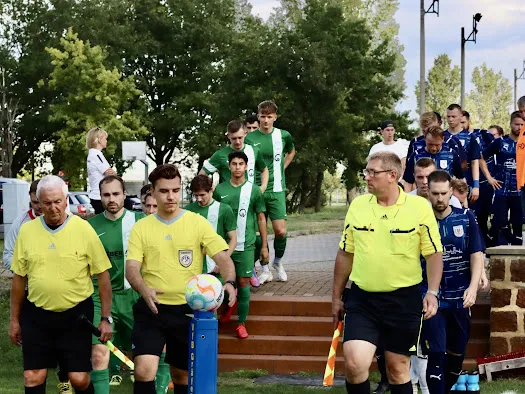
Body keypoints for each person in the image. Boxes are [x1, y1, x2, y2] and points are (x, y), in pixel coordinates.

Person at [333, 151, 443, 394]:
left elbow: (433, 254)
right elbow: (345, 253)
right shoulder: (358, 206)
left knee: (397, 368)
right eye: (367, 171)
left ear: (393, 175)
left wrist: (432, 292)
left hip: (404, 300)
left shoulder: (419, 208)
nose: (367, 177)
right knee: (354, 363)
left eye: (373, 172)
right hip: (363, 299)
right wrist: (336, 297)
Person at [125, 164, 237, 394]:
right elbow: (132, 269)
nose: (171, 196)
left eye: (175, 190)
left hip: (187, 310)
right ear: (153, 192)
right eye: (164, 191)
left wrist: (230, 282)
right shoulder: (141, 227)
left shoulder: (196, 223)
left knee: (181, 374)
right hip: (152, 308)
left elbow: (223, 258)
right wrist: (144, 290)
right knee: (144, 370)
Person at [9, 175, 113, 394]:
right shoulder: (27, 232)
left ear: (66, 200)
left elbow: (102, 276)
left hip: (76, 316)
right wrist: (14, 320)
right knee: (32, 376)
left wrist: (105, 318)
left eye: (57, 201)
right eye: (47, 203)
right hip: (37, 314)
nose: (53, 208)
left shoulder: (83, 230)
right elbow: (19, 279)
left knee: (79, 379)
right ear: (37, 204)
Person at [88, 175, 167, 393]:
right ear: (100, 197)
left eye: (115, 194)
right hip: (102, 297)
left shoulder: (143, 221)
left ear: (124, 195)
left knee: (155, 351)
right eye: (106, 195)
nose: (111, 199)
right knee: (98, 353)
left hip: (136, 295)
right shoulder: (89, 227)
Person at [421, 170, 484, 394]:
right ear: (428, 191)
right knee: (436, 353)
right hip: (431, 298)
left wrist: (473, 287)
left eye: (444, 193)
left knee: (457, 356)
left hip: (461, 298)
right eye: (435, 193)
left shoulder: (466, 217)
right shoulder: (420, 220)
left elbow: (476, 254)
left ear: (451, 192)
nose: (439, 199)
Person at [214, 151, 269, 338]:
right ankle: (224, 310)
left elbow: (261, 218)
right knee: (219, 282)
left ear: (246, 167)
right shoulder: (220, 190)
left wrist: (264, 246)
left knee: (244, 282)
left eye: (241, 164)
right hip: (222, 246)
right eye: (234, 163)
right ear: (228, 166)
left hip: (246, 245)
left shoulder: (254, 190)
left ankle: (241, 324)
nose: (237, 167)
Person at [245, 100, 295, 283]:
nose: (266, 120)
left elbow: (291, 151)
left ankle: (278, 262)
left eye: (269, 117)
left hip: (277, 189)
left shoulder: (283, 135)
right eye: (262, 116)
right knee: (259, 233)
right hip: (257, 189)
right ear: (258, 117)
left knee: (280, 231)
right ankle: (264, 268)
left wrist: (282, 168)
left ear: (275, 117)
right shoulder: (249, 138)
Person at [484, 111, 525, 246]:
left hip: (518, 191)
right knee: (498, 222)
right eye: (516, 124)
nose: (519, 127)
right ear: (510, 124)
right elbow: (481, 158)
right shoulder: (500, 142)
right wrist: (489, 178)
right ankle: (487, 253)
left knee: (518, 226)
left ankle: (518, 262)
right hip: (501, 190)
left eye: (522, 125)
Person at [185, 174, 237, 276]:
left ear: (211, 189)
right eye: (196, 195)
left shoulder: (224, 209)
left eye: (202, 195)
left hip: (216, 267)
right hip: (194, 268)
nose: (199, 199)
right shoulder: (187, 210)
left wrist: (222, 262)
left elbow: (233, 239)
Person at [200, 120, 268, 191]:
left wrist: (263, 187)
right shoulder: (220, 154)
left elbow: (264, 169)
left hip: (249, 197)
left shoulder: (254, 150)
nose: (237, 142)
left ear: (245, 133)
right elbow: (203, 173)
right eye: (234, 138)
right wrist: (213, 189)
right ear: (228, 136)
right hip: (227, 199)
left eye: (240, 138)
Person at [403, 126, 464, 190]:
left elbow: (460, 178)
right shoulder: (416, 155)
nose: (433, 148)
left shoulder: (451, 154)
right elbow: (408, 182)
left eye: (437, 145)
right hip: (422, 197)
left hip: (445, 196)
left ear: (443, 139)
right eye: (430, 144)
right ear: (425, 138)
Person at [3, 180, 42, 270]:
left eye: (42, 201)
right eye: (35, 202)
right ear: (30, 198)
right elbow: (8, 255)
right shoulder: (20, 222)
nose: (39, 206)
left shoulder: (63, 221)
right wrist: (27, 271)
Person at [447, 107, 481, 203]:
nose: (450, 119)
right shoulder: (442, 136)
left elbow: (475, 162)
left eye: (453, 116)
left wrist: (476, 186)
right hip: (447, 183)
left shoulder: (470, 137)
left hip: (467, 180)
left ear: (461, 116)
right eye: (448, 116)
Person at [86, 127, 116, 214]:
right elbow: (109, 173)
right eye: (105, 138)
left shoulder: (94, 154)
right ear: (99, 139)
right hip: (99, 196)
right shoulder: (96, 154)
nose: (106, 141)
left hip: (98, 195)